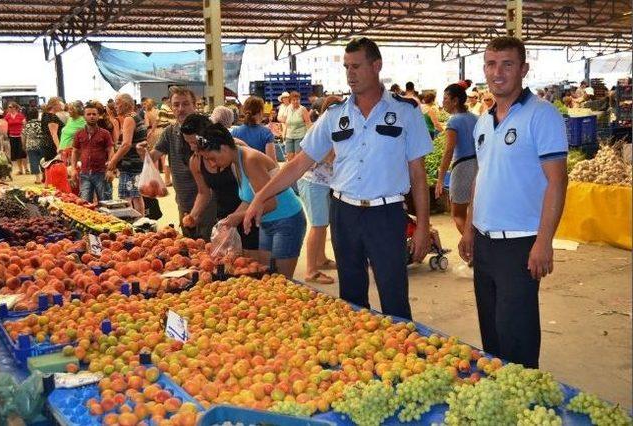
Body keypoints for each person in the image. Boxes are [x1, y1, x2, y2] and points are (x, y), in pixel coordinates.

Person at [243, 37, 433, 320]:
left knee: (394, 295)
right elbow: (299, 164)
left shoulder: (405, 112)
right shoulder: (335, 115)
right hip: (344, 213)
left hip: (387, 214)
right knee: (351, 296)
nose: (350, 74)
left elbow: (418, 174)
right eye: (346, 67)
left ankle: (403, 355)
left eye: (356, 66)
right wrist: (261, 196)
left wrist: (423, 226)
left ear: (376, 65)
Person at [458, 36, 568, 368]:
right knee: (491, 335)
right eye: (491, 64)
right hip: (485, 242)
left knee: (516, 334)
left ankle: (525, 407)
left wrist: (544, 241)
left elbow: (557, 181)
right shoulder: (483, 121)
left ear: (523, 69)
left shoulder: (541, 115)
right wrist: (468, 231)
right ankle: (500, 394)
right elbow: (482, 176)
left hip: (520, 244)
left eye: (507, 64)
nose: (498, 72)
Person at [192, 121, 305, 278]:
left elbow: (270, 203)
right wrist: (231, 219)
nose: (212, 164)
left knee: (281, 281)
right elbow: (250, 199)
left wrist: (239, 217)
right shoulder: (234, 161)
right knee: (265, 276)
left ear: (224, 148)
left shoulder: (250, 159)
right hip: (266, 223)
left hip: (287, 221)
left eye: (211, 158)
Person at [137, 86, 218, 240]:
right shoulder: (170, 132)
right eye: (176, 105)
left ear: (195, 105)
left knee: (207, 246)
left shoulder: (207, 129)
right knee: (189, 247)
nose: (181, 109)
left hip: (208, 202)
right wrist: (143, 153)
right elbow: (152, 157)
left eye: (186, 104)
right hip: (183, 201)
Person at [181, 114, 261, 259]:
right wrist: (193, 215)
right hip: (225, 218)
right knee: (227, 263)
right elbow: (203, 193)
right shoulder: (195, 161)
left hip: (250, 214)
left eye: (194, 142)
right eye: (188, 142)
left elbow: (255, 188)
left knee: (251, 264)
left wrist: (239, 216)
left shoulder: (234, 149)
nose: (192, 147)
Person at [297, 95, 343, 285]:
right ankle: (310, 270)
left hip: (322, 183)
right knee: (317, 225)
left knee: (323, 223)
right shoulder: (322, 128)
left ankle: (321, 259)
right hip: (313, 181)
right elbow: (326, 157)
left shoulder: (332, 127)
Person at [435, 84, 478, 234]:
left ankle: (472, 250)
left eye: (446, 99)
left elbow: (449, 150)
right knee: (474, 213)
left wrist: (440, 178)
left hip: (462, 168)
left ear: (455, 101)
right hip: (479, 166)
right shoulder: (476, 118)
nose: (443, 102)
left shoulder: (453, 121)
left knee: (458, 214)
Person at [108, 93, 145, 214]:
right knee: (137, 196)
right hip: (137, 163)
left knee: (126, 198)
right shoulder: (137, 116)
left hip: (130, 165)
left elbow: (126, 144)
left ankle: (130, 224)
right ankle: (141, 222)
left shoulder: (129, 119)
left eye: (117, 103)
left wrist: (113, 161)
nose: (115, 106)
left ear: (125, 104)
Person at [71, 103, 114, 202]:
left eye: (94, 114)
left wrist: (111, 169)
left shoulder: (105, 133)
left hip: (102, 173)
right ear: (84, 116)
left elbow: (111, 150)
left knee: (106, 204)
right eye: (89, 114)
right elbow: (75, 151)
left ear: (98, 116)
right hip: (85, 174)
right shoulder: (79, 134)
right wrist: (73, 169)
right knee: (85, 204)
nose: (92, 116)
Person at [231, 96, 277, 162]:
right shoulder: (266, 133)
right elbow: (272, 163)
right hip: (260, 171)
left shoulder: (234, 132)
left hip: (240, 171)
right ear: (261, 112)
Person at [283, 91, 312, 161]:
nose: (296, 101)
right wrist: (284, 134)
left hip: (300, 136)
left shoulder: (303, 109)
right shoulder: (288, 108)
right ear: (290, 101)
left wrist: (309, 136)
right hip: (289, 136)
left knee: (298, 157)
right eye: (294, 100)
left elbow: (308, 123)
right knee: (289, 156)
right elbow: (286, 122)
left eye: (298, 100)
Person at [4, 102, 28, 175]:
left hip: (20, 136)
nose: (9, 108)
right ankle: (20, 170)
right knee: (17, 154)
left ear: (15, 107)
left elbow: (25, 124)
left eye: (11, 107)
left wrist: (23, 132)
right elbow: (4, 124)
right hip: (12, 136)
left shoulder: (20, 115)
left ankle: (26, 169)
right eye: (9, 107)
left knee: (23, 153)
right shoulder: (7, 116)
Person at [59, 101, 86, 165]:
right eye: (68, 109)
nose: (68, 111)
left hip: (72, 153)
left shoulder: (83, 121)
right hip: (63, 151)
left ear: (77, 110)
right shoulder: (70, 119)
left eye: (71, 109)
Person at [20, 107, 43, 184]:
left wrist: (23, 146)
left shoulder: (27, 125)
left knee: (33, 162)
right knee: (43, 161)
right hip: (41, 144)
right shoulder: (41, 123)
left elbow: (23, 136)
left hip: (30, 145)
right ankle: (44, 177)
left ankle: (38, 179)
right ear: (37, 115)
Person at [41, 97, 65, 162]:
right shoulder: (52, 117)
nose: (61, 106)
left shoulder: (45, 115)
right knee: (55, 166)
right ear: (54, 105)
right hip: (52, 146)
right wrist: (59, 148)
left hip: (47, 144)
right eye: (59, 104)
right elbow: (54, 134)